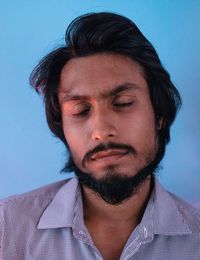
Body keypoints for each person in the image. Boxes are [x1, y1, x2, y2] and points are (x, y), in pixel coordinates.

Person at [0, 12, 199, 260]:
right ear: (62, 128)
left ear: (159, 114)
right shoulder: (7, 230)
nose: (101, 130)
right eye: (81, 111)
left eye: (123, 103)